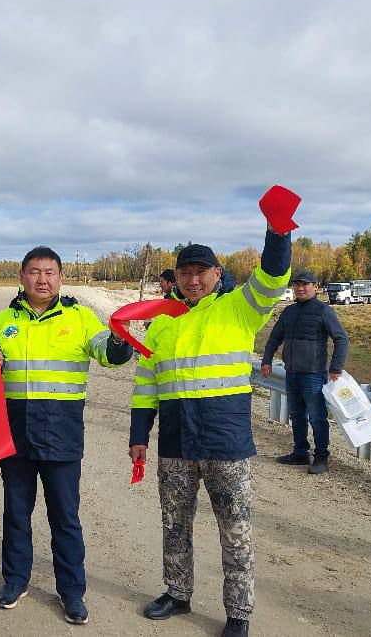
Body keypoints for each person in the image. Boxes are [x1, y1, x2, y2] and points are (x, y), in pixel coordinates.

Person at [128, 217, 292, 637]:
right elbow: (146, 384)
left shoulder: (240, 306)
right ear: (176, 278)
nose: (193, 279)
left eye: (201, 272)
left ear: (217, 274)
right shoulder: (162, 321)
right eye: (185, 272)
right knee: (174, 524)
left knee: (235, 531)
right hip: (176, 442)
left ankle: (238, 613)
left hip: (227, 442)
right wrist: (137, 438)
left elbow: (273, 277)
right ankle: (178, 593)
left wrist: (277, 231)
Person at [0, 245, 134, 625]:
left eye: (49, 272)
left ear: (61, 278)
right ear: (22, 277)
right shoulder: (2, 323)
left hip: (62, 436)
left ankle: (72, 592)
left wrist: (118, 339)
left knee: (65, 518)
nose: (42, 279)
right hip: (13, 436)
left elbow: (110, 356)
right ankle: (15, 581)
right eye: (34, 271)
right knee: (16, 514)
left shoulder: (81, 318)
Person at [261, 270, 350, 474]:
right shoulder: (289, 312)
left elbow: (341, 339)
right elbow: (274, 338)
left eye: (305, 284)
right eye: (297, 285)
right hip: (291, 373)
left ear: (315, 287)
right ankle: (300, 452)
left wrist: (336, 368)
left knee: (317, 417)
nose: (300, 288)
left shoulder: (323, 311)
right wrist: (266, 361)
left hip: (313, 374)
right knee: (297, 415)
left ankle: (321, 456)